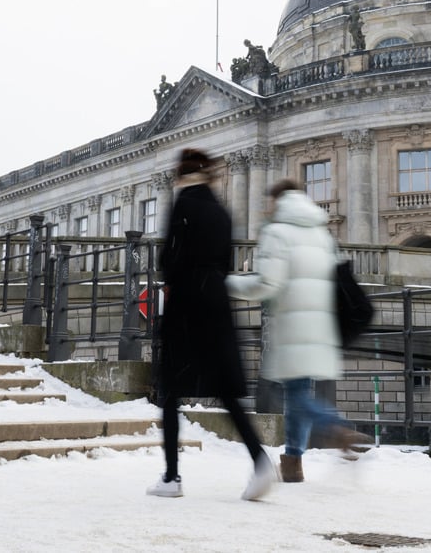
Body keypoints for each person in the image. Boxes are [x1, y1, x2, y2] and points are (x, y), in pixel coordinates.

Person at [148, 147, 276, 501]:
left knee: (171, 391)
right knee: (226, 391)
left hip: (187, 304)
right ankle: (260, 460)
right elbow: (226, 259)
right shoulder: (221, 211)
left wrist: (174, 274)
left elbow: (169, 258)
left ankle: (171, 476)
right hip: (217, 301)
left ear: (182, 175)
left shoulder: (184, 204)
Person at [227, 180, 370, 483]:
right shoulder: (321, 233)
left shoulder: (276, 232)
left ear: (277, 201)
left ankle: (337, 428)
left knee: (296, 394)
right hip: (322, 324)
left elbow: (267, 283)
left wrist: (226, 283)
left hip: (292, 323)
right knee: (298, 392)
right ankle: (292, 461)